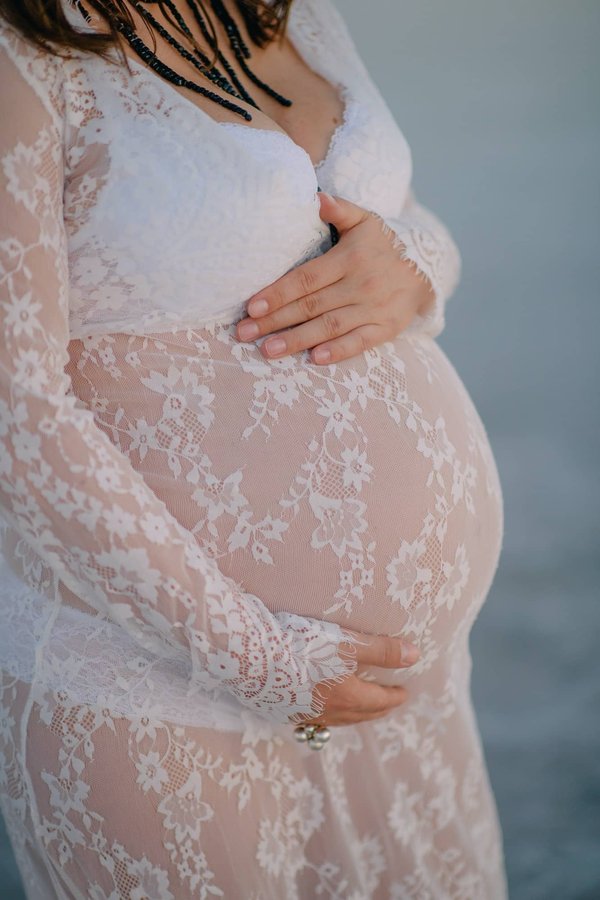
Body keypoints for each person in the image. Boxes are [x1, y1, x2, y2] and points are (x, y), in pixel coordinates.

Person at [0, 0, 509, 896]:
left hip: (395, 695)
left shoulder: (292, 12)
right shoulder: (22, 55)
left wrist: (413, 265)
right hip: (153, 680)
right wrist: (256, 659)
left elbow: (408, 219)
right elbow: (15, 409)